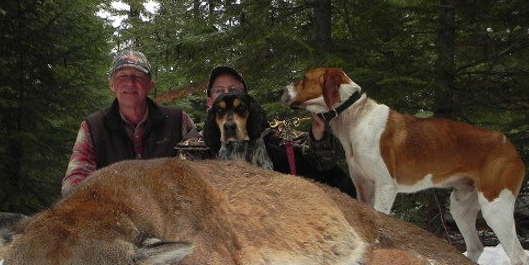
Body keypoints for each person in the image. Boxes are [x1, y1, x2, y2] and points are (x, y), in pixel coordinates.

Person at [61, 50, 201, 196]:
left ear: (150, 85)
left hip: (170, 211)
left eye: (138, 77)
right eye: (122, 76)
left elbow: (200, 168)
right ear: (112, 85)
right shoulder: (93, 127)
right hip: (114, 211)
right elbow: (74, 179)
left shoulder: (178, 120)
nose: (130, 83)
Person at [204, 66, 355, 196]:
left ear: (250, 107)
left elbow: (324, 166)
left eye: (233, 89)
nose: (230, 123)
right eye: (218, 90)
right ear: (209, 104)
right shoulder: (190, 149)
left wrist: (318, 136)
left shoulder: (283, 139)